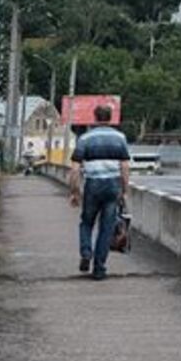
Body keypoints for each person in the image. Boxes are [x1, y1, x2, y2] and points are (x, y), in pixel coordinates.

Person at [66, 105, 130, 280]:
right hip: (112, 185)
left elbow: (75, 169)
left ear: (94, 117)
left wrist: (74, 191)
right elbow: (124, 166)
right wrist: (125, 190)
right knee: (106, 228)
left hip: (93, 185)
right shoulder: (120, 138)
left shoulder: (85, 139)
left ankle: (86, 252)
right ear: (110, 118)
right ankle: (99, 269)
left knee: (86, 222)